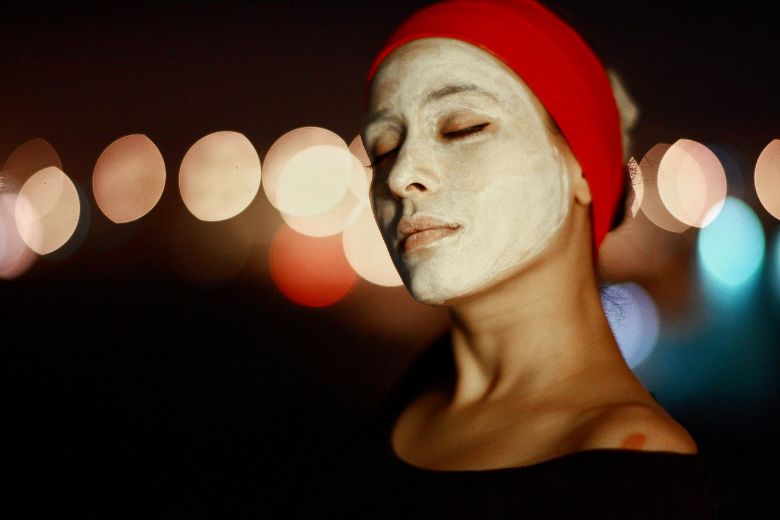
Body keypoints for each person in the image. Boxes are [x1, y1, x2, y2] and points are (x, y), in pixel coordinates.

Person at [301, 1, 715, 517]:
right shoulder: (411, 387)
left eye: (462, 127)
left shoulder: (636, 473)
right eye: (382, 149)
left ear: (582, 167)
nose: (400, 176)